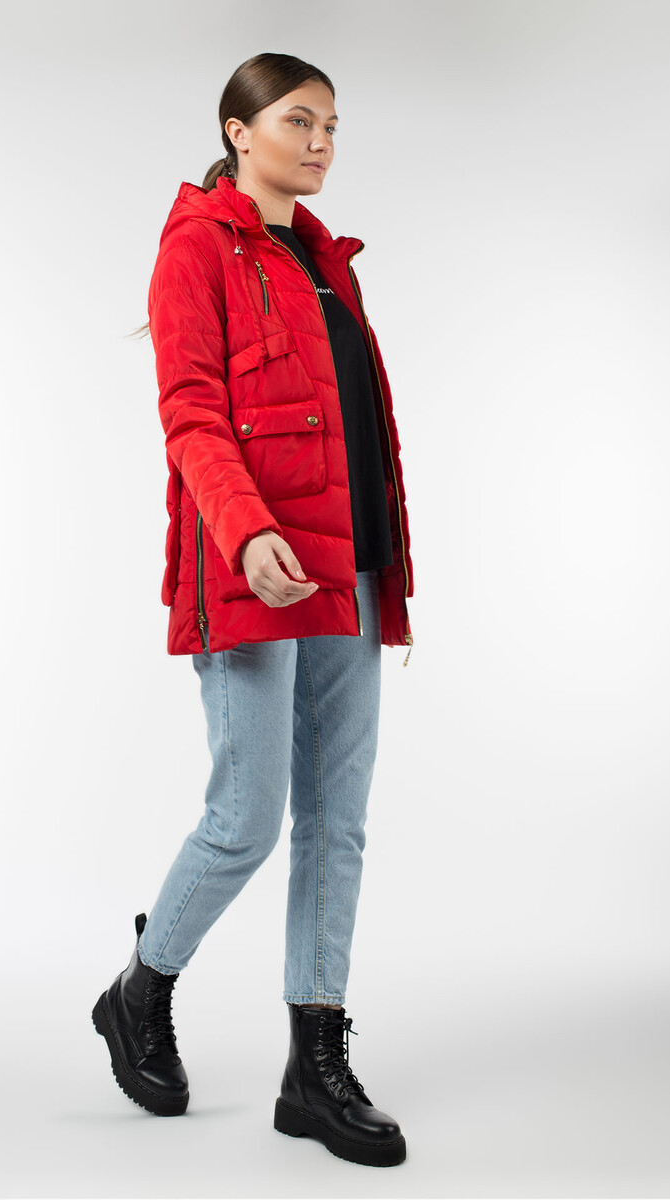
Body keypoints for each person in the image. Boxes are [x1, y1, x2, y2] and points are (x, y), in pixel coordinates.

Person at [92, 52, 414, 1169]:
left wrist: (375, 554)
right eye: (298, 121)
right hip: (253, 568)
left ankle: (313, 1068)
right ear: (239, 131)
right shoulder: (196, 247)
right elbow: (190, 412)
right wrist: (242, 529)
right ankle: (141, 989)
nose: (320, 142)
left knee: (337, 821)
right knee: (246, 817)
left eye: (332, 125)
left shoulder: (325, 259)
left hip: (350, 568)